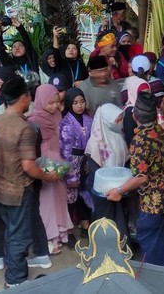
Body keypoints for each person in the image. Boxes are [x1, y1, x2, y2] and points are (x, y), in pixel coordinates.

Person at [0, 76, 59, 288]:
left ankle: (14, 273)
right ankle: (15, 280)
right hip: (20, 189)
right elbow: (28, 166)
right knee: (19, 237)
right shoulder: (25, 128)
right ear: (24, 97)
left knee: (11, 231)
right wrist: (49, 176)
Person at [106, 92, 164, 268]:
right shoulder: (159, 130)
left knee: (150, 242)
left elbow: (140, 177)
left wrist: (118, 191)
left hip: (153, 202)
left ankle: (158, 282)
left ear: (134, 116)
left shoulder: (139, 141)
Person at [28, 84, 74, 254]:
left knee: (58, 200)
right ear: (40, 101)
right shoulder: (34, 120)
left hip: (59, 163)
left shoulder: (57, 115)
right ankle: (47, 237)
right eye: (50, 103)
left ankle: (58, 235)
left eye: (56, 102)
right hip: (44, 166)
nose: (55, 106)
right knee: (46, 203)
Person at [85, 103, 130, 237]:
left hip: (120, 188)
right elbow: (96, 171)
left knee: (119, 218)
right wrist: (110, 186)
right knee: (105, 220)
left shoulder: (118, 135)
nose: (120, 123)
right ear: (106, 121)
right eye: (117, 120)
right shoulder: (95, 143)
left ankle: (120, 248)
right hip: (102, 191)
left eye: (121, 119)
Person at [59, 88, 92, 239]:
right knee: (70, 198)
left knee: (84, 194)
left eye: (82, 102)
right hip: (72, 162)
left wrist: (90, 161)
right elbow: (65, 151)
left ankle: (86, 226)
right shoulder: (66, 122)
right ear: (69, 104)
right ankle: (69, 232)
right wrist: (70, 176)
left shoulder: (88, 119)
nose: (80, 106)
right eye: (75, 103)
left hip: (85, 160)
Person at [0, 17, 40, 85]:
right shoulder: (10, 64)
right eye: (14, 47)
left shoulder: (31, 59)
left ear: (25, 48)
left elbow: (28, 42)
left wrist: (20, 27)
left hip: (36, 93)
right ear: (11, 51)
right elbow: (1, 52)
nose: (17, 48)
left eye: (20, 46)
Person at [121, 75, 150, 145]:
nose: (145, 97)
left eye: (147, 93)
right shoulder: (130, 112)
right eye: (141, 94)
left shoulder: (149, 105)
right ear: (134, 92)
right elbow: (130, 139)